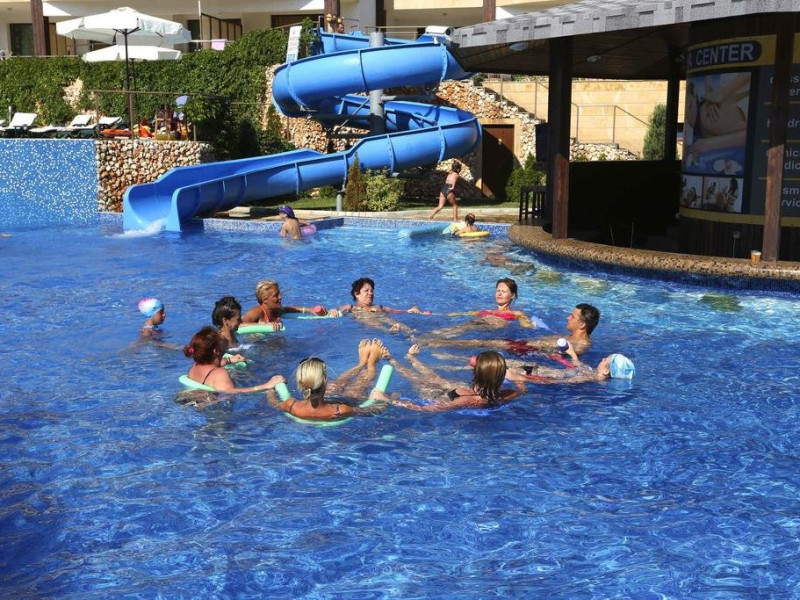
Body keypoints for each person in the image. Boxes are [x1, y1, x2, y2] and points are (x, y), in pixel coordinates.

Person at [267, 339, 389, 421]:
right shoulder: (340, 410)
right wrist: (385, 400)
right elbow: (371, 410)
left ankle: (361, 364)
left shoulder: (291, 405)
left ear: (301, 382)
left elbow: (274, 403)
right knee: (357, 386)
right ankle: (371, 364)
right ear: (325, 382)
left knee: (337, 384)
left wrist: (270, 390)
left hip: (326, 400)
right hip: (343, 402)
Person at [424, 302, 599, 357]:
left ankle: (440, 344)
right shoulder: (570, 336)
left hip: (526, 350)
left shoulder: (581, 344)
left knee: (482, 343)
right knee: (483, 342)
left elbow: (561, 354)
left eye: (572, 316)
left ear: (582, 324)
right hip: (524, 345)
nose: (568, 317)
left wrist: (534, 348)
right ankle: (441, 343)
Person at [386, 347, 526, 412]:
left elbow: (425, 408)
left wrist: (387, 399)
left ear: (476, 373)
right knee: (435, 377)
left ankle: (392, 360)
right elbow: (523, 390)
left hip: (436, 395)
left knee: (417, 379)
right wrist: (517, 378)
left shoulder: (468, 401)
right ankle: (411, 358)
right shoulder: (504, 395)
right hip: (459, 389)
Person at [183, 326, 285, 393]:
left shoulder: (195, 367)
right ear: (216, 351)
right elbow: (232, 392)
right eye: (221, 343)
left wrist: (229, 360)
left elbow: (211, 368)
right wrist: (266, 386)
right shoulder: (220, 373)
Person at [427, 278, 536, 339]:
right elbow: (462, 314)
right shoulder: (487, 311)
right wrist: (435, 314)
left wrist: (531, 325)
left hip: (493, 327)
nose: (499, 294)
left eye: (503, 291)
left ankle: (432, 339)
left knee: (467, 327)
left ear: (512, 295)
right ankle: (428, 337)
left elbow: (525, 325)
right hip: (477, 324)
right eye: (498, 291)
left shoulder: (517, 313)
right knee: (461, 326)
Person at [506, 340, 635, 384]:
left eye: (605, 359)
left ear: (606, 370)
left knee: (499, 365)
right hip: (536, 368)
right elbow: (577, 365)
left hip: (532, 373)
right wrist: (570, 354)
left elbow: (554, 382)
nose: (602, 359)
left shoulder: (587, 378)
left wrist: (520, 377)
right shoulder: (592, 372)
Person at [241, 280, 337, 324]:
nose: (280, 297)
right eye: (276, 295)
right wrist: (262, 325)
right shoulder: (255, 313)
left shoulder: (275, 310)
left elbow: (287, 309)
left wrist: (311, 310)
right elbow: (239, 325)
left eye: (279, 293)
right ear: (265, 299)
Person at [339, 277, 429, 315]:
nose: (370, 293)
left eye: (371, 291)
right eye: (366, 291)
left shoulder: (380, 307)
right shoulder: (350, 308)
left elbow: (395, 311)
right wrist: (334, 312)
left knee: (402, 327)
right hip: (369, 330)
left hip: (385, 322)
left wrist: (410, 310)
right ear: (356, 294)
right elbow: (337, 312)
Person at [211, 296, 247, 366]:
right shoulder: (220, 340)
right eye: (238, 319)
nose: (241, 321)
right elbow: (209, 364)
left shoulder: (232, 334)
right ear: (225, 321)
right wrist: (229, 360)